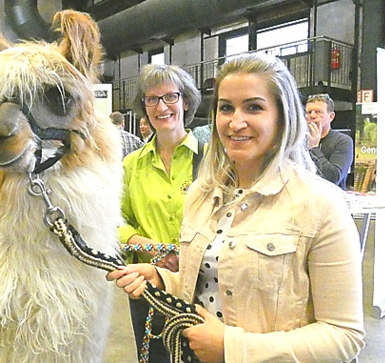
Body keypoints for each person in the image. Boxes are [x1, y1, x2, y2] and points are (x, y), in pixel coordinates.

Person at [108, 53, 365, 362]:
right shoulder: (202, 196)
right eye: (226, 108)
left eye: (253, 107)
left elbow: (344, 337)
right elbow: (208, 282)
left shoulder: (322, 206)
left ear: (283, 116)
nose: (235, 121)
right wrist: (163, 279)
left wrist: (232, 348)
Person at [119, 64, 202, 362]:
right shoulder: (130, 165)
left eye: (170, 97)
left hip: (201, 284)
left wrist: (187, 256)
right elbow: (117, 221)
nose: (161, 106)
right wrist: (146, 246)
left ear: (186, 102)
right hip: (148, 284)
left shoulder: (211, 161)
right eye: (151, 99)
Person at [306, 93, 354, 189]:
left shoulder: (343, 141)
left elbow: (333, 178)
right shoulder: (299, 141)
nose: (312, 116)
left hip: (332, 200)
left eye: (318, 112)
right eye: (309, 112)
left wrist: (314, 148)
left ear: (331, 117)